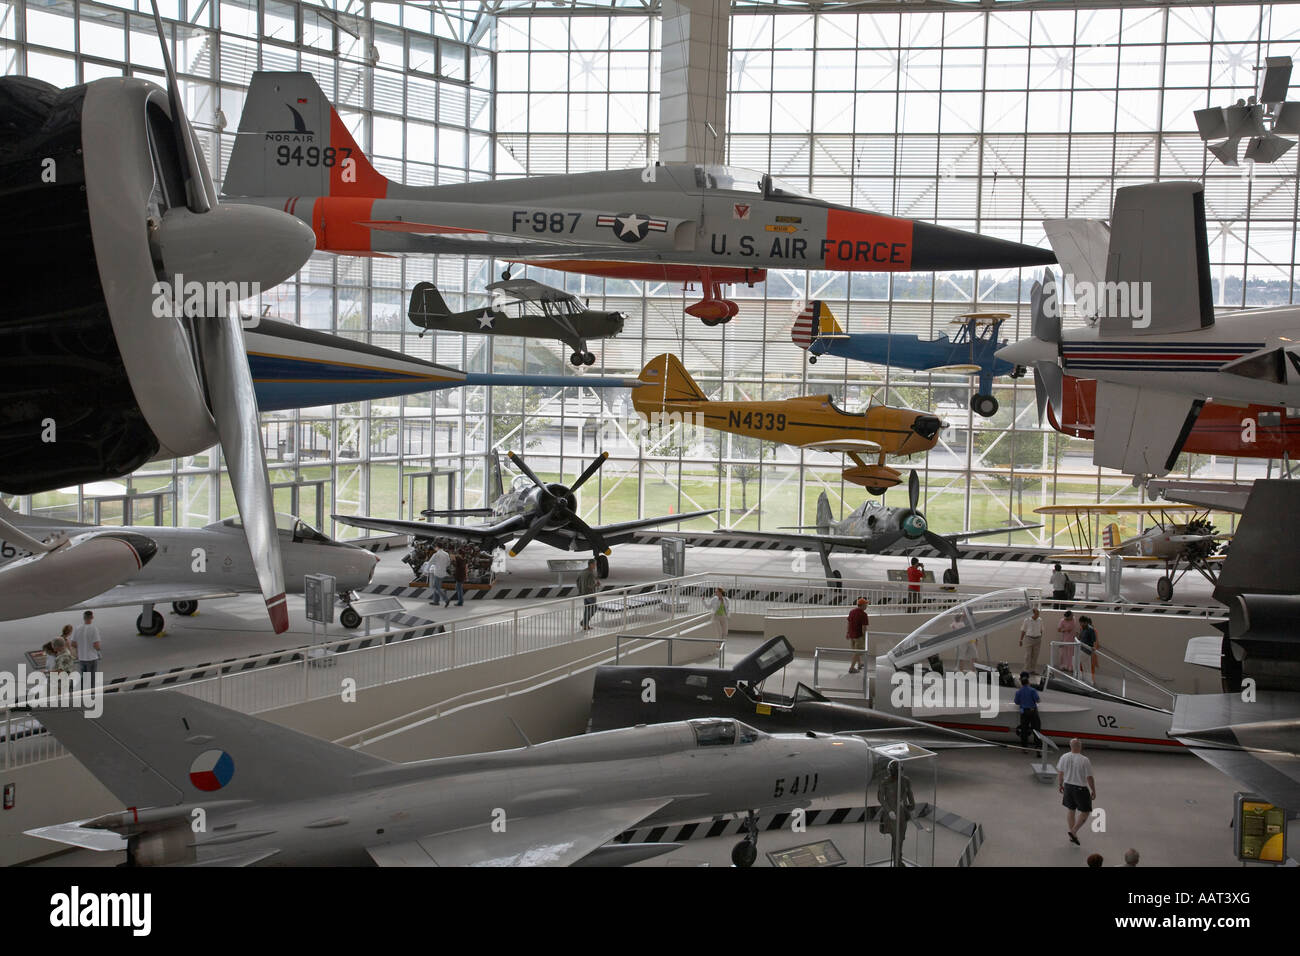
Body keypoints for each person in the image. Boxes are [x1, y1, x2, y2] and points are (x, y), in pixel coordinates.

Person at [1056, 738, 1097, 845]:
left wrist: (1060, 784)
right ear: (1080, 746)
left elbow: (1060, 772)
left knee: (1071, 809)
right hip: (1080, 788)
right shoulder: (1084, 760)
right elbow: (1089, 777)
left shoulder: (1064, 757)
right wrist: (1093, 790)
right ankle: (1073, 831)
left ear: (1071, 746)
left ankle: (1073, 836)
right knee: (1085, 811)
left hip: (1068, 787)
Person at [877, 761, 915, 867]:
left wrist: (912, 806)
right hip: (892, 815)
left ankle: (898, 860)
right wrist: (889, 811)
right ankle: (897, 862)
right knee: (896, 837)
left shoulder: (906, 781)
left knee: (901, 837)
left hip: (902, 813)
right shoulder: (885, 782)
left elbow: (909, 793)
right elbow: (881, 798)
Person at [1013, 671, 1041, 748]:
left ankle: (1024, 747)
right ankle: (1038, 747)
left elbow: (1016, 702)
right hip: (1032, 711)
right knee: (1036, 730)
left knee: (1024, 730)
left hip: (1024, 712)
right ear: (1028, 681)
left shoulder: (1018, 692)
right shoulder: (1033, 690)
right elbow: (1038, 700)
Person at [70, 611, 101, 676]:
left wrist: (81, 647)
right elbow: (96, 645)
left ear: (84, 617)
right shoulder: (94, 629)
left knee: (84, 679)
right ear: (92, 617)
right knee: (91, 679)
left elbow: (72, 643)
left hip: (81, 658)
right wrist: (99, 650)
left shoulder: (77, 628)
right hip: (92, 658)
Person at [845, 597, 869, 674]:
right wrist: (864, 637)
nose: (866, 606)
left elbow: (849, 623)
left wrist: (848, 633)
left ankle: (859, 664)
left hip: (852, 635)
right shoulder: (864, 614)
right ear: (861, 605)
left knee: (855, 651)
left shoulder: (852, 612)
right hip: (858, 636)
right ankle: (851, 668)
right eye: (865, 604)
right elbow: (864, 627)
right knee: (857, 652)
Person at [577, 559, 600, 629]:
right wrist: (596, 584)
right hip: (590, 594)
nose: (595, 566)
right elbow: (590, 585)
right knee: (594, 608)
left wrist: (581, 591)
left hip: (584, 593)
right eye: (595, 564)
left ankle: (585, 625)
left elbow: (578, 582)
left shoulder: (583, 572)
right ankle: (584, 622)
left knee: (587, 609)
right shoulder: (590, 573)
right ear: (591, 564)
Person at [1019, 606, 1044, 673]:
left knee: (1035, 655)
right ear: (1032, 614)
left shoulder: (1040, 620)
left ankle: (1033, 670)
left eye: (1038, 614)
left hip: (1037, 639)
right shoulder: (1027, 620)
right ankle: (1026, 670)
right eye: (1036, 614)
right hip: (1029, 639)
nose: (1038, 615)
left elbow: (1041, 630)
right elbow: (1023, 630)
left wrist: (1040, 637)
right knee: (1028, 655)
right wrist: (1020, 640)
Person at [1077, 615, 1099, 682]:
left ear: (1086, 622)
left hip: (1087, 651)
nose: (1080, 624)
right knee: (1086, 667)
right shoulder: (1082, 628)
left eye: (1081, 623)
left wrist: (1094, 649)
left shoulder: (1091, 630)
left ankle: (1079, 678)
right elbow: (1080, 637)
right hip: (1082, 649)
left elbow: (1094, 640)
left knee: (1076, 661)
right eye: (1080, 623)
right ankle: (1088, 681)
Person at [1056, 609, 1078, 674]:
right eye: (1071, 616)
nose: (1072, 617)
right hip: (1065, 638)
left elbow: (1073, 626)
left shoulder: (1073, 619)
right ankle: (1063, 666)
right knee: (1064, 653)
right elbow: (1058, 629)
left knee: (1071, 654)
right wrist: (1065, 630)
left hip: (1072, 639)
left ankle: (1070, 667)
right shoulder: (1062, 621)